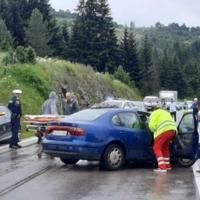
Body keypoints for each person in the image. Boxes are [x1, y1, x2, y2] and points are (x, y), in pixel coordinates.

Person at [149, 107, 177, 173]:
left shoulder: (153, 114)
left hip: (163, 130)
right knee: (165, 148)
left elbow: (152, 126)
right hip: (172, 130)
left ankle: (162, 167)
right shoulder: (166, 112)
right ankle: (167, 166)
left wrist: (153, 131)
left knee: (156, 148)